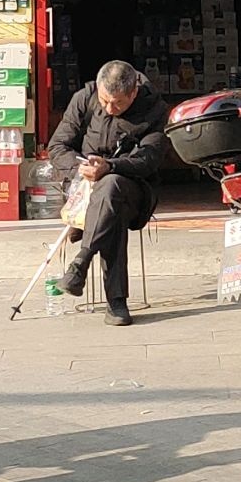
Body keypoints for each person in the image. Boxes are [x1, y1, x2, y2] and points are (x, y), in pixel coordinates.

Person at [48, 61, 169, 327]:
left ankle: (82, 260)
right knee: (109, 204)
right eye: (105, 100)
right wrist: (80, 169)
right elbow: (57, 146)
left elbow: (149, 159)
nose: (109, 108)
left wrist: (111, 166)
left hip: (133, 190)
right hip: (85, 188)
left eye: (117, 104)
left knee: (112, 186)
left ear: (133, 93)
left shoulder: (155, 109)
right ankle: (115, 302)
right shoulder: (85, 98)